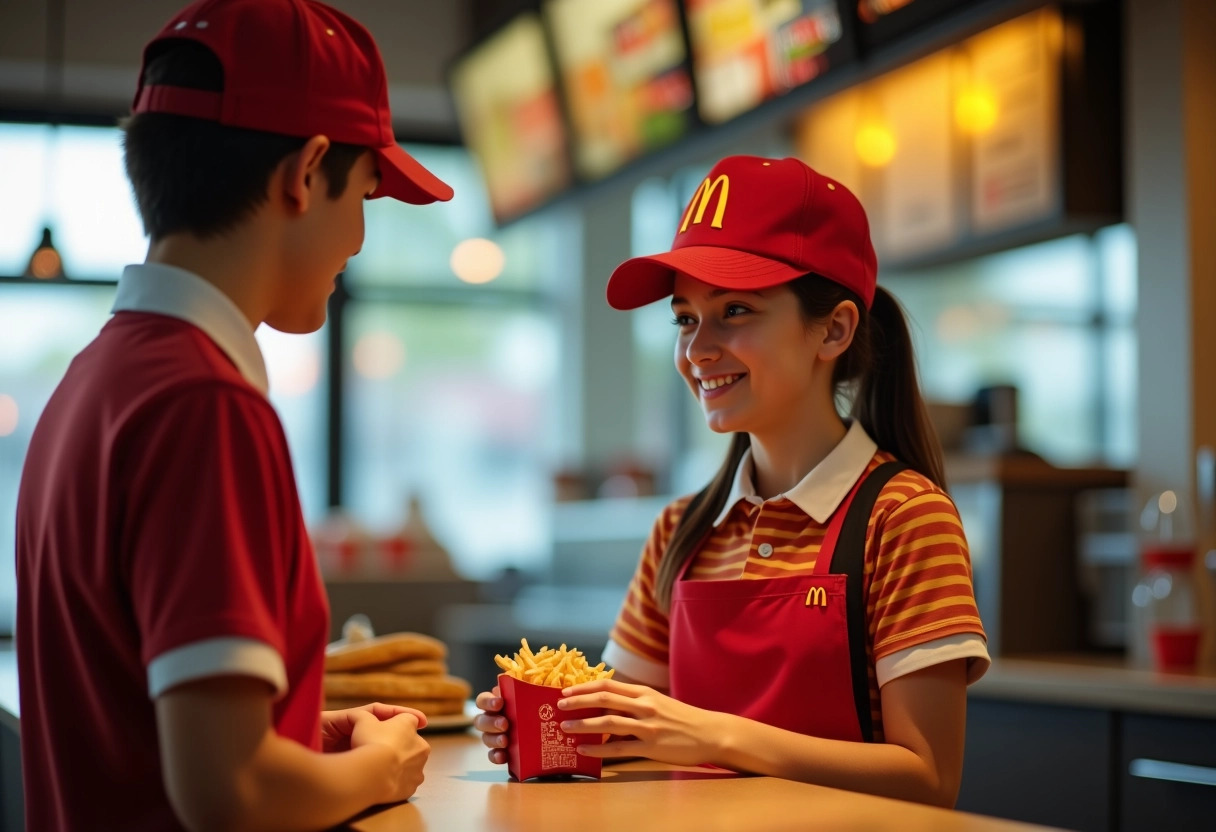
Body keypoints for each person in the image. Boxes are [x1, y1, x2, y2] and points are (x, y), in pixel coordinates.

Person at [14, 1, 454, 829]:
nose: (358, 238)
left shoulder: (95, 378)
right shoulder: (206, 406)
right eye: (364, 192)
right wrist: (380, 770)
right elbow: (229, 793)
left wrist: (302, 740)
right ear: (305, 172)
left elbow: (145, 728)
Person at [476, 155, 989, 808]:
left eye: (736, 310)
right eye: (685, 318)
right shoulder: (680, 531)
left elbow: (930, 779)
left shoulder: (905, 518)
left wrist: (711, 735)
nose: (696, 350)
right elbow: (631, 734)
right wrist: (545, 724)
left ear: (833, 329)